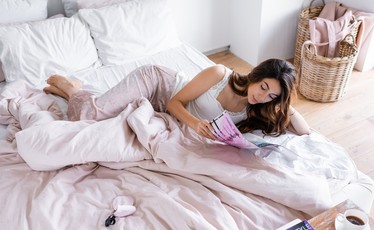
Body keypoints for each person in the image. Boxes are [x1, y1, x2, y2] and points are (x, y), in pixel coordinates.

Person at [43, 59, 310, 140]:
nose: (261, 95)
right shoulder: (220, 74)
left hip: (164, 110)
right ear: (256, 74)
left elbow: (304, 131)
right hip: (159, 84)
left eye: (271, 95)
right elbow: (174, 103)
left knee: (103, 129)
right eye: (263, 86)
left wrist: (283, 105)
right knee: (89, 117)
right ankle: (72, 88)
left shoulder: (259, 107)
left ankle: (76, 93)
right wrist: (195, 124)